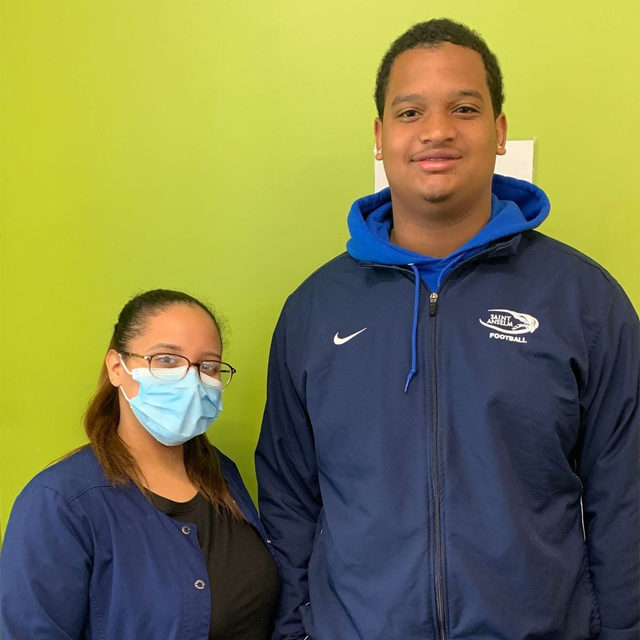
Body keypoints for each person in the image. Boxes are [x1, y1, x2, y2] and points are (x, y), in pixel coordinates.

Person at [255, 18, 639, 640]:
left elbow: (626, 497)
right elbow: (290, 499)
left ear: (500, 131)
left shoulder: (583, 300)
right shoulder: (315, 311)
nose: (437, 131)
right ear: (380, 137)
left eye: (464, 107)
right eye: (410, 113)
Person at [0, 289, 280, 640]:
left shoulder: (222, 475)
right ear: (117, 367)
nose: (191, 381)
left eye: (207, 366)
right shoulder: (60, 503)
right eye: (166, 359)